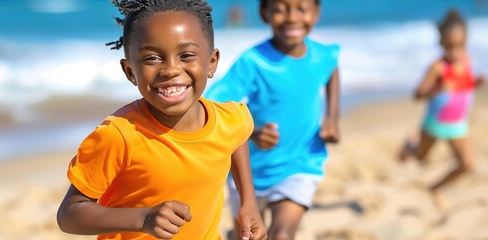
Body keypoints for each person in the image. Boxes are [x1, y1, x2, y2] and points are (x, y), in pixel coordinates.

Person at [56, 0, 267, 239]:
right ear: (130, 72)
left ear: (211, 62)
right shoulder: (118, 136)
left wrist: (248, 205)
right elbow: (69, 215)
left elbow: (238, 137)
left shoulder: (230, 118)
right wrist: (143, 219)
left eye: (186, 55)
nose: (170, 70)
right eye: (152, 58)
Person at [204, 0, 340, 239]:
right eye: (280, 9)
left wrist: (332, 118)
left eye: (302, 8)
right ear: (264, 13)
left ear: (316, 12)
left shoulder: (321, 55)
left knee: (282, 235)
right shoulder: (253, 62)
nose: (292, 17)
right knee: (247, 235)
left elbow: (332, 68)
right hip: (248, 174)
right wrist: (253, 132)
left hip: (300, 164)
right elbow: (214, 104)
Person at [398, 9, 485, 212]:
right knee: (420, 158)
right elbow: (417, 94)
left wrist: (476, 83)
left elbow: (465, 85)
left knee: (466, 164)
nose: (454, 52)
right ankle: (410, 145)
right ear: (441, 43)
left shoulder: (466, 61)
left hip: (457, 126)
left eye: (459, 46)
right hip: (434, 124)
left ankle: (435, 187)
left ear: (465, 43)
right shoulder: (437, 67)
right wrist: (436, 89)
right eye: (449, 47)